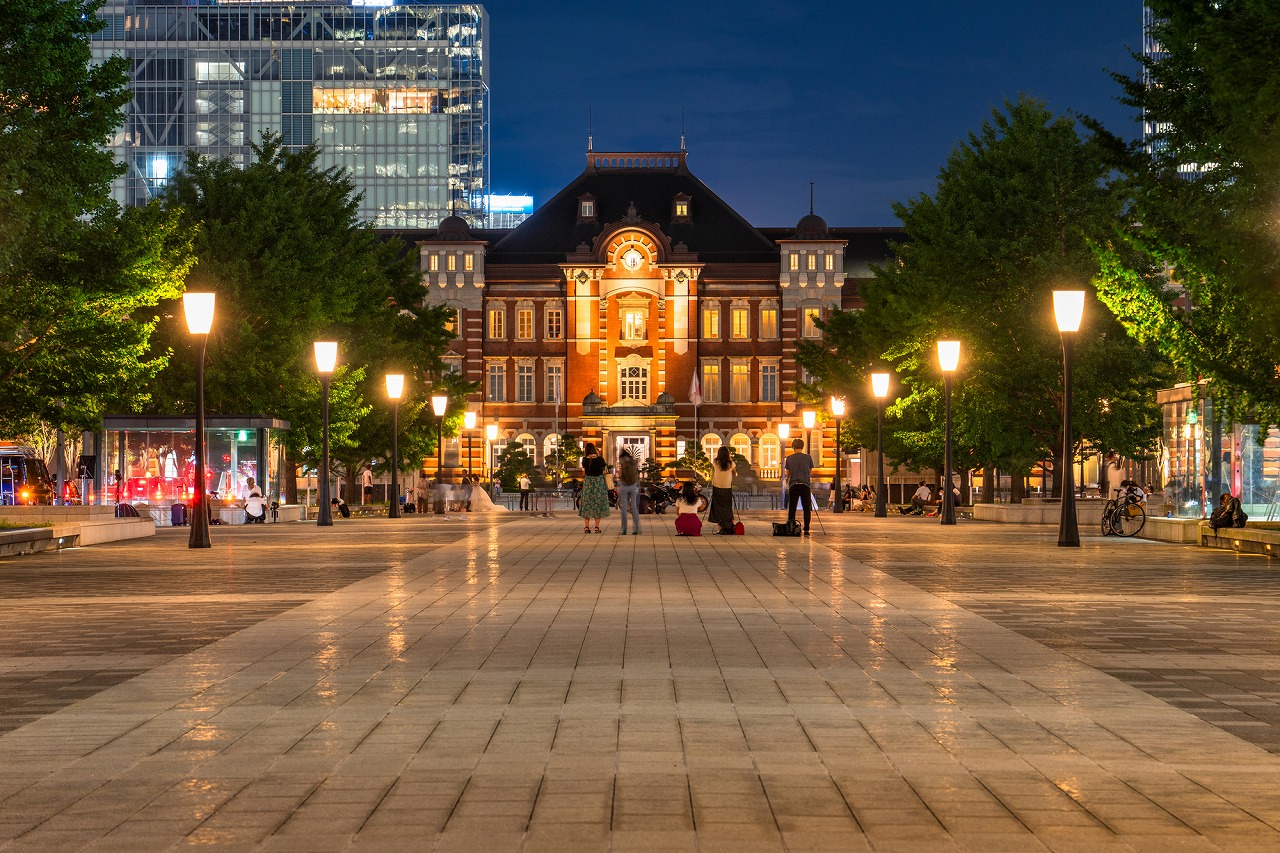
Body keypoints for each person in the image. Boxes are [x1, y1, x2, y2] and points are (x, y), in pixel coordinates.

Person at [783, 437, 814, 535]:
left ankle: (791, 526)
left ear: (793, 447)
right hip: (805, 484)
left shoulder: (789, 458)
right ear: (802, 446)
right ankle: (806, 528)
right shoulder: (808, 457)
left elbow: (787, 473)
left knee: (792, 506)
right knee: (806, 508)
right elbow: (810, 471)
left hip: (793, 484)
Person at [578, 442, 609, 532]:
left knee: (587, 503)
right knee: (597, 504)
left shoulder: (584, 460)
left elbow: (585, 468)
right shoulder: (600, 459)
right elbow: (604, 468)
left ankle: (586, 527)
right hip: (598, 483)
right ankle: (596, 527)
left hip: (588, 482)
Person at [707, 446, 736, 535]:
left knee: (717, 508)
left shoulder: (716, 462)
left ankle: (720, 528)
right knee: (727, 508)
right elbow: (735, 473)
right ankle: (728, 526)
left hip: (717, 487)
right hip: (727, 488)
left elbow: (713, 470)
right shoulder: (731, 463)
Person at [616, 449, 642, 535]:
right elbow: (637, 474)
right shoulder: (633, 461)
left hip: (624, 486)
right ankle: (636, 528)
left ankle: (624, 529)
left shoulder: (621, 461)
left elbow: (620, 474)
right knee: (634, 507)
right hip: (633, 486)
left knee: (624, 508)